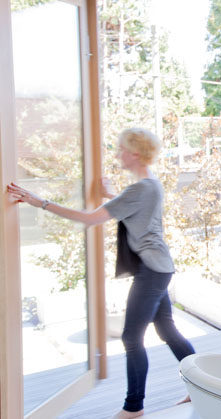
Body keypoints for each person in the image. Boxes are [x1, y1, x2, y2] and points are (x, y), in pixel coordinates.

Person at [7, 127, 195, 419]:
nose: (117, 153)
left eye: (120, 149)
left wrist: (38, 201)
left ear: (134, 153)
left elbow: (88, 219)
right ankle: (203, 386)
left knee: (132, 338)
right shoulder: (149, 185)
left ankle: (134, 407)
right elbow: (133, 208)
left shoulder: (139, 190)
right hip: (161, 267)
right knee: (167, 330)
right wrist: (111, 195)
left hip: (152, 271)